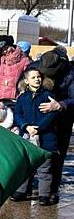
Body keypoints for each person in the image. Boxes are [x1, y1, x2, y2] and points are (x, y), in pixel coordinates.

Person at [10, 68, 58, 206]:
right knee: (26, 165)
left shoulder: (48, 95)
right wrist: (25, 126)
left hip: (45, 138)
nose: (37, 79)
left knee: (44, 167)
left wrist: (38, 128)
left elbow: (52, 115)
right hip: (27, 135)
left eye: (38, 77)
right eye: (33, 77)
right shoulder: (23, 97)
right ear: (26, 81)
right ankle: (21, 190)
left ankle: (44, 194)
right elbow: (17, 114)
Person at [37, 49, 74, 204]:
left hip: (63, 117)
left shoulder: (71, 74)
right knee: (38, 151)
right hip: (41, 117)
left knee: (58, 153)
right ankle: (31, 188)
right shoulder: (39, 64)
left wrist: (60, 105)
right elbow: (24, 80)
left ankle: (52, 189)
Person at [0, 35, 31, 106]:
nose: (4, 51)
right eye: (1, 50)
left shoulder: (23, 60)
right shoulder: (0, 58)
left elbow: (30, 76)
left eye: (6, 48)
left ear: (11, 46)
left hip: (12, 96)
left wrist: (23, 89)